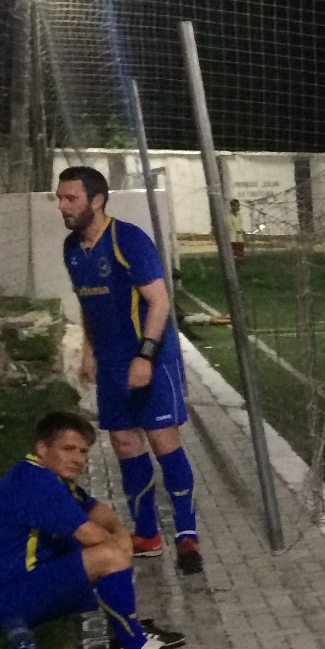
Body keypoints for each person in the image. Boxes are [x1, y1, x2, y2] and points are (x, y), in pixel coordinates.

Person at [0, 411, 194, 649]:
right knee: (108, 557)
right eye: (68, 449)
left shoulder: (45, 475)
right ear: (42, 448)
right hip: (3, 601)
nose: (77, 459)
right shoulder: (36, 483)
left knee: (101, 549)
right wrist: (119, 546)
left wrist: (120, 532)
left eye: (83, 452)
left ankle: (128, 628)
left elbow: (98, 511)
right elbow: (92, 536)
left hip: (17, 584)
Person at [56, 165, 203, 576]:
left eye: (71, 198)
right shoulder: (72, 248)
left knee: (163, 442)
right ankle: (147, 534)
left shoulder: (128, 239)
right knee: (124, 444)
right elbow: (88, 305)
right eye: (60, 198)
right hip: (111, 363)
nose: (62, 206)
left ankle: (187, 534)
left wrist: (145, 357)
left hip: (150, 358)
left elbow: (159, 301)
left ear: (97, 200)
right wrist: (90, 352)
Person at [228, 198, 247, 263]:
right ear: (232, 206)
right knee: (234, 251)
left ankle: (240, 260)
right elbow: (230, 226)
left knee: (240, 248)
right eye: (236, 206)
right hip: (233, 236)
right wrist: (237, 230)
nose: (237, 207)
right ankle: (234, 260)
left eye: (238, 206)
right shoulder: (229, 216)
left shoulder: (239, 216)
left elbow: (240, 225)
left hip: (239, 236)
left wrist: (242, 231)